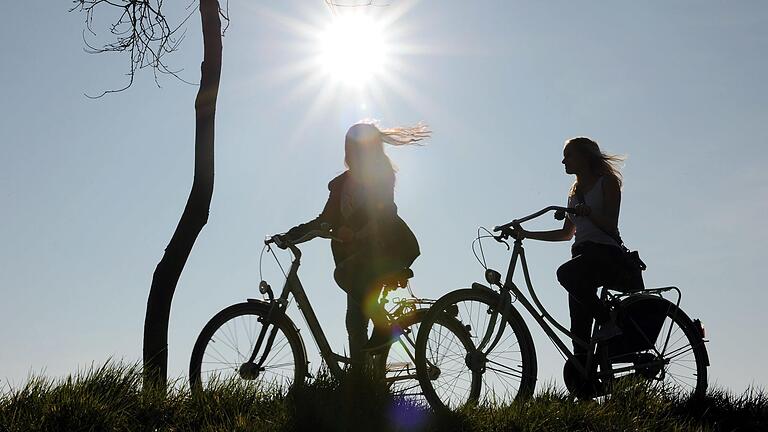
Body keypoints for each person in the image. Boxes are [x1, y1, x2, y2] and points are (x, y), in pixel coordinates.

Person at [276, 121, 428, 368]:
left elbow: (384, 211)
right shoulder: (340, 185)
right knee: (354, 320)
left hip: (388, 251)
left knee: (345, 277)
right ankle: (363, 379)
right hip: (360, 259)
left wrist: (354, 231)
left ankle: (382, 329)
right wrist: (290, 236)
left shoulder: (381, 176)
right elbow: (324, 221)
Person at [512, 136, 626, 358]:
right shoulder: (574, 193)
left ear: (585, 157)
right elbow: (566, 234)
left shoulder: (607, 182)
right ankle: (587, 385)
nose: (564, 162)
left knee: (565, 273)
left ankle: (607, 319)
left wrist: (590, 213)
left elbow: (611, 225)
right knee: (579, 330)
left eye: (568, 156)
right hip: (582, 258)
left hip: (606, 254)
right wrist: (526, 234)